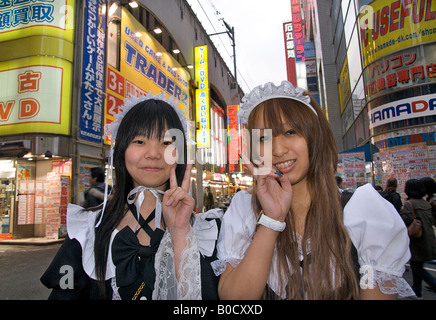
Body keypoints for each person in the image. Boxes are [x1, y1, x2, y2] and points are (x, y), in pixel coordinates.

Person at [211, 81, 414, 300]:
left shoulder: (363, 212)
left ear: (315, 136)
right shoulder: (244, 210)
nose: (278, 150)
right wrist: (271, 220)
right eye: (263, 138)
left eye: (290, 131)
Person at [41, 93, 221, 300]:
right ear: (122, 150)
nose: (153, 153)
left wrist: (181, 233)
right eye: (139, 140)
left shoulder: (203, 231)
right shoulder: (87, 229)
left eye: (166, 142)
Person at [400, 179, 436, 298]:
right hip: (428, 238)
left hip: (416, 240)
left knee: (417, 267)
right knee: (417, 266)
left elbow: (404, 221)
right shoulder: (425, 203)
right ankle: (416, 291)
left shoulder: (409, 204)